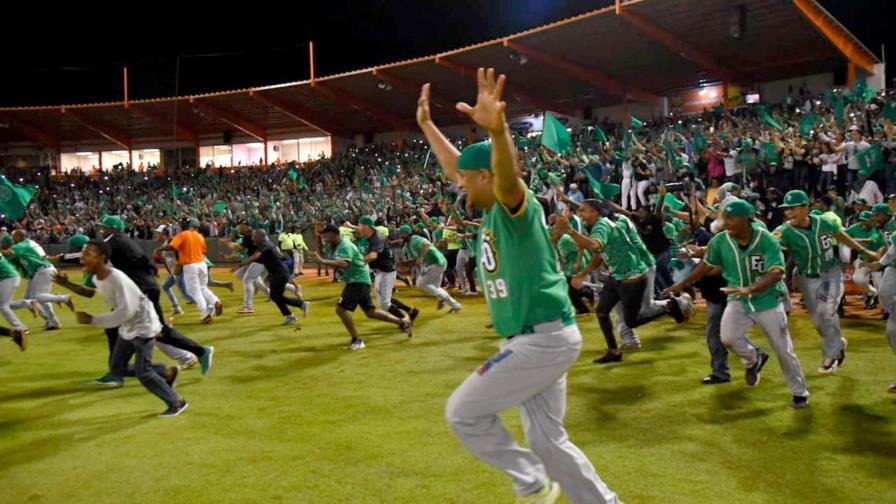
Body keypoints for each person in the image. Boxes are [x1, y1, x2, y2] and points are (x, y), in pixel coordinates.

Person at [421, 69, 619, 503]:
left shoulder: (513, 205)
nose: (459, 184)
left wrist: (498, 131)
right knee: (549, 442)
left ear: (487, 178)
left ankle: (529, 480)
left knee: (463, 412)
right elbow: (460, 165)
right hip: (538, 337)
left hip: (539, 340)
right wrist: (428, 127)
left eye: (467, 180)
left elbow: (505, 175)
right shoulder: (490, 209)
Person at [665, 199, 810, 408]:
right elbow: (706, 265)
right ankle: (753, 359)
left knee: (783, 349)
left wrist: (751, 288)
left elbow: (777, 272)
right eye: (725, 218)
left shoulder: (766, 239)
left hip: (767, 300)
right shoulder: (721, 240)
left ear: (746, 219)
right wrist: (682, 283)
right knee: (728, 337)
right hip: (738, 298)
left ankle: (800, 393)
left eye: (731, 219)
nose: (725, 223)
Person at [77, 239, 188, 417]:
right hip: (129, 326)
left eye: (88, 254)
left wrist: (93, 320)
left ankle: (176, 402)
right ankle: (167, 373)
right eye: (82, 254)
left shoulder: (115, 278)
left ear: (102, 257)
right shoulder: (98, 278)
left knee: (143, 373)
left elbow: (124, 311)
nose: (82, 258)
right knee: (117, 368)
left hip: (143, 325)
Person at [773, 190, 880, 373]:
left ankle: (830, 356)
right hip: (807, 279)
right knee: (818, 323)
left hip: (830, 273)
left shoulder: (825, 221)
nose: (788, 212)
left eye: (792, 208)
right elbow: (771, 241)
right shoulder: (785, 231)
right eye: (787, 209)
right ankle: (838, 345)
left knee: (825, 311)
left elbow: (841, 236)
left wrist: (866, 251)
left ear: (806, 207)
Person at [308, 224, 412, 350]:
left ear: (335, 234)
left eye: (326, 235)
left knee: (340, 309)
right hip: (359, 279)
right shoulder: (334, 246)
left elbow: (345, 263)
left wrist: (322, 261)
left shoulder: (344, 245)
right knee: (370, 312)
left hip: (356, 280)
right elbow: (327, 254)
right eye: (323, 236)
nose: (325, 238)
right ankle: (402, 322)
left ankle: (356, 340)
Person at [233, 229, 308, 326]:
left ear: (261, 237)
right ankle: (291, 314)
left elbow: (255, 257)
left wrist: (239, 265)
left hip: (279, 273)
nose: (252, 239)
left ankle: (300, 305)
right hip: (275, 273)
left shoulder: (265, 245)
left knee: (276, 296)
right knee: (275, 296)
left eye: (254, 237)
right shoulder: (263, 245)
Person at [0, 233, 74, 330]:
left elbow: (10, 253)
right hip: (39, 271)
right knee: (30, 299)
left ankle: (63, 298)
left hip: (42, 270)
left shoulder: (21, 245)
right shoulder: (27, 244)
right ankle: (52, 321)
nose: (13, 239)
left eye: (14, 237)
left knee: (37, 297)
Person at [356, 215, 419, 322]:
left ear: (366, 226)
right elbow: (360, 229)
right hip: (381, 271)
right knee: (384, 301)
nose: (358, 227)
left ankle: (404, 321)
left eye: (360, 225)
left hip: (386, 272)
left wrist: (356, 262)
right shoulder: (372, 234)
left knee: (385, 303)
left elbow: (373, 256)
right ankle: (410, 311)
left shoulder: (376, 239)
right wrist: (350, 226)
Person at [158, 218, 222, 324]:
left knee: (194, 291)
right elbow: (203, 251)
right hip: (202, 264)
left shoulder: (182, 235)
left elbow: (172, 246)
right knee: (203, 287)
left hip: (190, 265)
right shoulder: (199, 235)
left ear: (181, 226)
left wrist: (160, 249)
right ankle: (215, 301)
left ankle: (205, 314)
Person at [397, 225, 462, 313]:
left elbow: (426, 244)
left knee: (420, 284)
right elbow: (415, 259)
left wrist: (421, 257)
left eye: (401, 234)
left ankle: (445, 298)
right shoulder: (408, 245)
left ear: (407, 233)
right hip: (434, 263)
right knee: (436, 288)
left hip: (437, 262)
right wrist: (406, 263)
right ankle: (454, 305)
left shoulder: (414, 239)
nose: (400, 236)